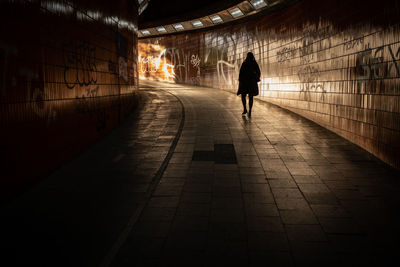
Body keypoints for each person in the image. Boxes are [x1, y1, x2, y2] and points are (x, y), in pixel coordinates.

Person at [237, 52, 261, 118]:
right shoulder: (254, 63)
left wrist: (240, 81)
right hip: (251, 83)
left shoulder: (244, 63)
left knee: (243, 96)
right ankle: (250, 110)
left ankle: (245, 109)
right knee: (251, 97)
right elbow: (259, 72)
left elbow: (241, 73)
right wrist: (255, 79)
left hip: (245, 83)